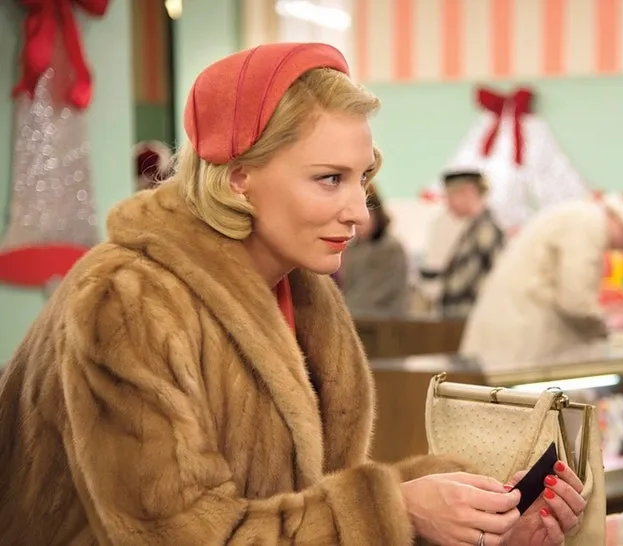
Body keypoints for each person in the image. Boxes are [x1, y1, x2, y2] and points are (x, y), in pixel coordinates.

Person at [0, 43, 587, 545]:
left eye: (363, 179)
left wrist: (477, 511)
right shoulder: (127, 301)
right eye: (328, 178)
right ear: (238, 178)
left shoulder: (304, 290)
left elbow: (306, 502)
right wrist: (397, 510)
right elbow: (177, 533)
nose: (359, 211)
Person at [460, 187, 623, 364]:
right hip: (520, 342)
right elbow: (575, 302)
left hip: (509, 336)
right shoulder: (589, 224)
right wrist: (609, 323)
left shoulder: (579, 216)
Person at [421, 170, 505, 317]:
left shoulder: (486, 232)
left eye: (451, 196)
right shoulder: (474, 229)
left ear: (469, 191)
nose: (448, 205)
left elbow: (466, 284)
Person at [338, 184, 410, 316]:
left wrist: (339, 313)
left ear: (376, 213)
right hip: (359, 320)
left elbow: (373, 295)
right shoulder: (353, 249)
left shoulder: (391, 249)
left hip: (385, 325)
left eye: (365, 212)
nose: (358, 221)